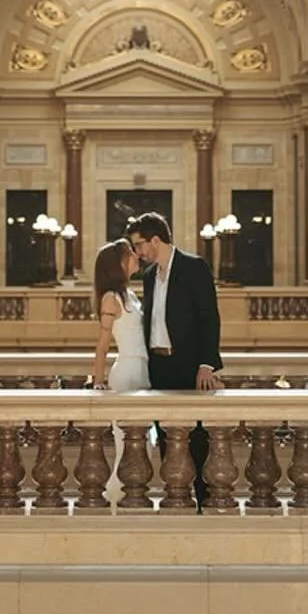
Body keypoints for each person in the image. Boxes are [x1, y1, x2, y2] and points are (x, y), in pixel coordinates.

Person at [126, 211, 223, 510]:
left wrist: (206, 364)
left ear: (155, 240)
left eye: (139, 245)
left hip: (189, 365)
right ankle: (176, 496)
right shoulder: (149, 276)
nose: (137, 253)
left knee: (196, 436)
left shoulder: (194, 267)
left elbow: (209, 317)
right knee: (167, 437)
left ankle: (204, 498)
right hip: (158, 366)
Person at [89, 238, 149, 394]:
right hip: (127, 372)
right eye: (129, 254)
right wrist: (99, 381)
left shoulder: (129, 295)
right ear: (118, 264)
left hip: (144, 369)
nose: (135, 256)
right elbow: (103, 345)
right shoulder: (111, 298)